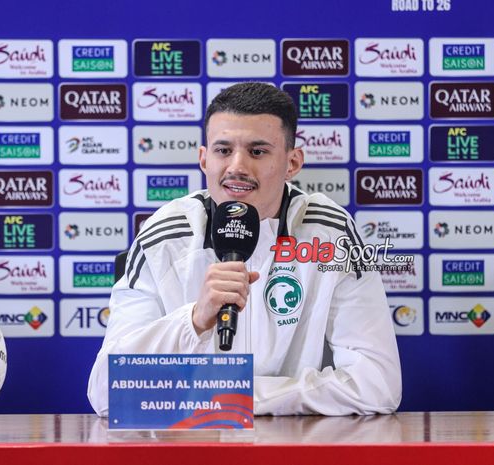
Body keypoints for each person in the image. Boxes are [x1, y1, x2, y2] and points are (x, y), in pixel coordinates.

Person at [88, 82, 401, 416]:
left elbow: (378, 384)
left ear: (292, 162)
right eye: (223, 150)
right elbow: (107, 393)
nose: (237, 166)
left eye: (257, 151)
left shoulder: (331, 235)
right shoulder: (163, 238)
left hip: (294, 448)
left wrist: (238, 396)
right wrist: (193, 320)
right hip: (189, 448)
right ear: (203, 159)